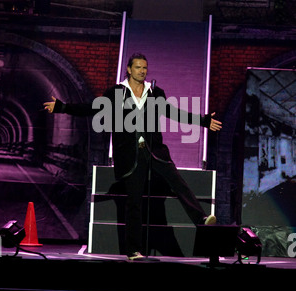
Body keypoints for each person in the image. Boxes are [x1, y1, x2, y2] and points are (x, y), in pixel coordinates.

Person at [44, 53, 222, 260]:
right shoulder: (116, 93)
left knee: (177, 181)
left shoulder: (155, 93)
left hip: (154, 151)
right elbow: (92, 107)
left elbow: (173, 113)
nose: (142, 71)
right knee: (134, 203)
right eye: (138, 67)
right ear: (129, 69)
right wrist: (63, 107)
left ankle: (200, 218)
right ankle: (132, 250)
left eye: (145, 68)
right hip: (130, 156)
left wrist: (203, 121)